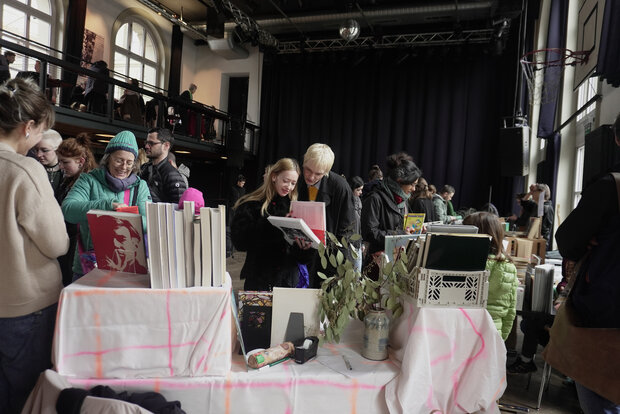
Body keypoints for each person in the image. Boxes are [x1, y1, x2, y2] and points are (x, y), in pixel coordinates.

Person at [0, 77, 68, 414]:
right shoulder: (25, 170)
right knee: (26, 396)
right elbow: (56, 243)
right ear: (28, 127)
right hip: (22, 308)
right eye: (42, 130)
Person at [553, 112, 620, 413]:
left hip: (605, 314)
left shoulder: (610, 187)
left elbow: (568, 240)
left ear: (616, 139)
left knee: (601, 403)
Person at [62, 130, 151, 281]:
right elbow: (68, 210)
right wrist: (106, 206)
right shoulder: (88, 180)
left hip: (128, 267)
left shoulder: (140, 186)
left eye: (129, 162)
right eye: (119, 160)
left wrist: (125, 218)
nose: (124, 167)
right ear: (108, 158)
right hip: (88, 266)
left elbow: (149, 222)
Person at [230, 158, 314, 290]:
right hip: (259, 280)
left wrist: (303, 248)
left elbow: (299, 256)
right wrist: (271, 227)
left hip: (288, 282)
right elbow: (239, 241)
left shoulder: (295, 207)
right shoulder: (251, 204)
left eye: (293, 183)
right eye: (286, 181)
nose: (289, 187)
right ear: (274, 176)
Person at [297, 143, 357, 286]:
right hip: (302, 254)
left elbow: (347, 230)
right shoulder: (297, 180)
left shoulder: (340, 187)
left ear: (326, 172)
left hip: (330, 260)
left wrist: (341, 270)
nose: (311, 177)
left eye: (318, 174)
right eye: (308, 170)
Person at [361, 152, 421, 275]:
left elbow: (402, 227)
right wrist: (400, 234)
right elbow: (370, 233)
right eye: (412, 184)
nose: (414, 189)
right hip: (377, 266)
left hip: (397, 264)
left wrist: (416, 229)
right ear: (400, 180)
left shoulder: (403, 201)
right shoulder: (375, 198)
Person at [463, 212, 518, 340]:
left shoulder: (464, 263)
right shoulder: (509, 266)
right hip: (492, 335)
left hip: (461, 332)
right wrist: (501, 339)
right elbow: (511, 309)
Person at [55, 133, 97, 286]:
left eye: (65, 162)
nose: (60, 166)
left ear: (81, 161)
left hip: (77, 246)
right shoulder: (67, 180)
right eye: (59, 161)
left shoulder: (87, 184)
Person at [139, 127, 187, 203]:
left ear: (166, 145)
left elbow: (179, 210)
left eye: (151, 143)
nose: (146, 146)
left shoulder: (173, 176)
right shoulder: (145, 168)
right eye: (146, 143)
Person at [33, 128, 63, 198]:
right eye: (36, 150)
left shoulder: (67, 173)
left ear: (58, 149)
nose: (38, 155)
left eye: (45, 150)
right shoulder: (32, 169)